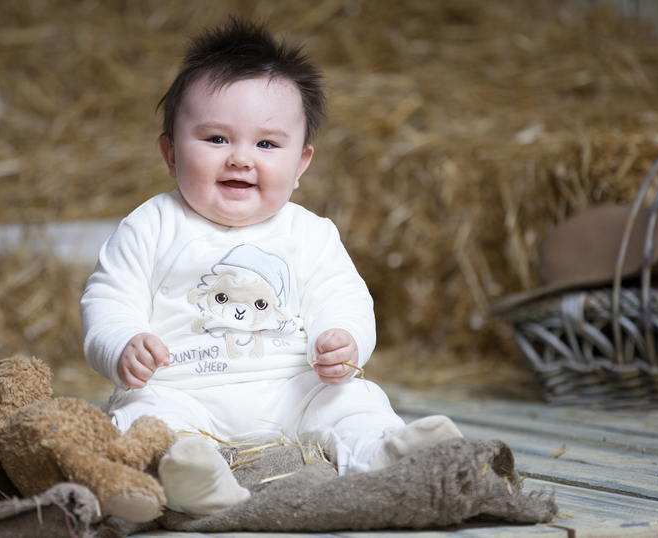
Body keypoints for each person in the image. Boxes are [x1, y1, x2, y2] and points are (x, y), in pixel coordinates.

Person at [81, 17, 462, 517]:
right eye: (216, 139)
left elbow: (343, 297)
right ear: (170, 153)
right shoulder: (149, 226)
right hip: (182, 392)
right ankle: (187, 474)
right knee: (143, 418)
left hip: (293, 393)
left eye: (266, 144)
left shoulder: (310, 233)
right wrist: (122, 344)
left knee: (353, 399)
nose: (241, 159)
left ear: (300, 164)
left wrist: (342, 339)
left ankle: (384, 453)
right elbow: (108, 299)